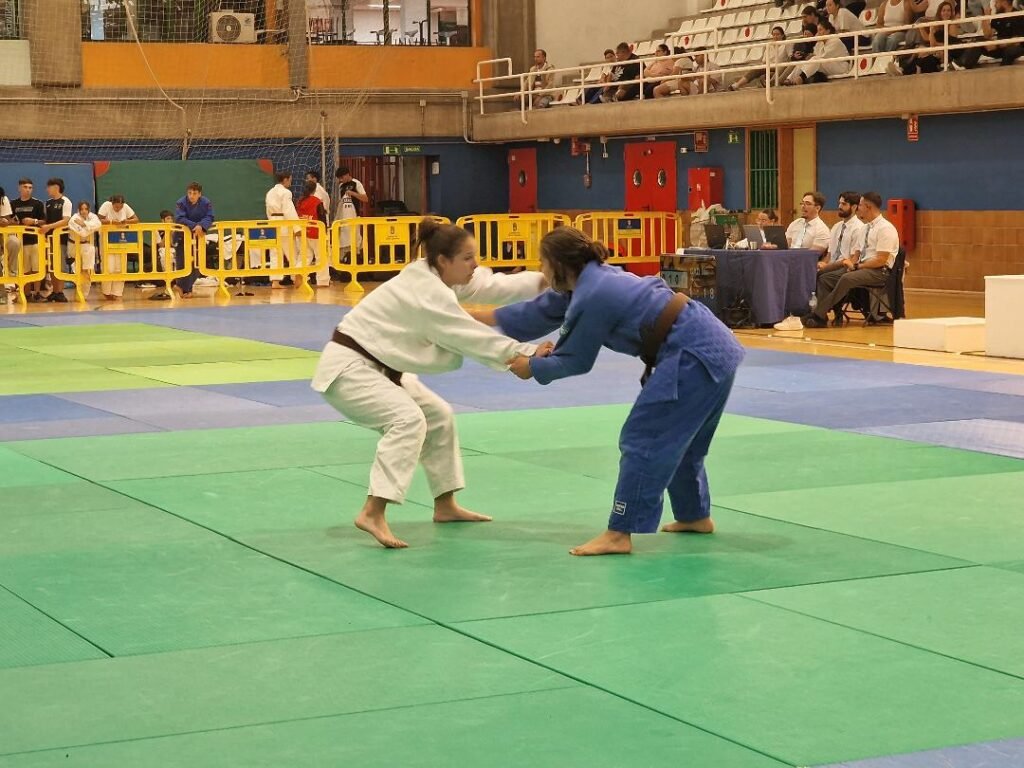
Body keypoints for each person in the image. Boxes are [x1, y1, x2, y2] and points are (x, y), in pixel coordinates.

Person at [477, 227, 745, 556]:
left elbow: (575, 360)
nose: (541, 270)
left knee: (644, 437)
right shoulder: (592, 279)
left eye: (542, 262)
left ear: (559, 264)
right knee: (681, 440)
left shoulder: (593, 294)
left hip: (691, 354)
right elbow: (539, 311)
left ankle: (620, 533)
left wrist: (531, 366)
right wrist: (471, 317)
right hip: (714, 346)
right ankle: (694, 516)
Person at [311, 219, 549, 549]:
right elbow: (468, 336)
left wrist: (545, 279)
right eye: (467, 258)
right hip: (350, 370)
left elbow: (492, 284)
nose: (475, 264)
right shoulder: (427, 293)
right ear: (443, 261)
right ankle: (372, 511)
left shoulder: (438, 276)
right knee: (407, 420)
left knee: (438, 415)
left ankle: (445, 504)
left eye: (475, 256)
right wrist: (525, 353)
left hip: (381, 367)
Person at [803, 191, 899, 327]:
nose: (858, 208)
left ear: (868, 207)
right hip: (862, 268)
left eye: (860, 205)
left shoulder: (885, 229)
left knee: (846, 278)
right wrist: (851, 264)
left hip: (879, 271)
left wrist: (858, 266)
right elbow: (857, 254)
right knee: (825, 278)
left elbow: (881, 260)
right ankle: (823, 314)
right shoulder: (865, 228)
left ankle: (818, 314)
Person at [6, 178, 46, 302]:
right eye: (25, 187)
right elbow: (8, 221)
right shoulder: (12, 204)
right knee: (24, 269)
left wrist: (34, 221)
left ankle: (37, 293)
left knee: (37, 268)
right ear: (19, 188)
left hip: (35, 240)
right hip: (19, 242)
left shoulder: (38, 203)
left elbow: (44, 221)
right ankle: (26, 293)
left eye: (30, 187)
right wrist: (12, 222)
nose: (28, 190)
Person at [173, 182, 214, 298]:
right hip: (182, 237)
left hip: (198, 236)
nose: (191, 196)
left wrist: (201, 226)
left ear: (199, 194)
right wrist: (196, 225)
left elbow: (209, 217)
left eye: (194, 193)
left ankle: (181, 287)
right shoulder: (181, 202)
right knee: (182, 264)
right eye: (189, 193)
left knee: (198, 265)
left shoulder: (206, 202)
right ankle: (187, 291)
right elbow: (180, 218)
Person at [97, 193, 140, 301]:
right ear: (112, 204)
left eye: (120, 207)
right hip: (107, 240)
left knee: (120, 267)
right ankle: (106, 291)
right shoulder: (106, 205)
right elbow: (98, 220)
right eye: (116, 207)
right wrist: (111, 222)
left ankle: (117, 292)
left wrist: (127, 221)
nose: (118, 209)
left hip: (121, 240)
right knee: (109, 266)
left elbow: (136, 219)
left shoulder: (125, 207)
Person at [265, 170, 301, 289]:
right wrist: (297, 228)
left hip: (272, 223)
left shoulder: (270, 192)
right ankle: (296, 279)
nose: (291, 182)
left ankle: (275, 282)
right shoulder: (286, 192)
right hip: (284, 224)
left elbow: (268, 210)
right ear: (285, 179)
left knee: (275, 254)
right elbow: (289, 211)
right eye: (290, 180)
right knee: (292, 253)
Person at [296, 180, 329, 288]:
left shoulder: (300, 201)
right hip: (316, 232)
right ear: (315, 190)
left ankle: (299, 273)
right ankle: (323, 281)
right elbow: (322, 218)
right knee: (321, 257)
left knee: (305, 256)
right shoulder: (317, 201)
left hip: (304, 231)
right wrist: (325, 231)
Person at [67, 201, 102, 300]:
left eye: (86, 209)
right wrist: (90, 227)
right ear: (78, 210)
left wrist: (84, 223)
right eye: (82, 209)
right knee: (78, 270)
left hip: (86, 245)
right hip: (74, 247)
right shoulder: (74, 219)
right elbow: (83, 233)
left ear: (89, 210)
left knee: (87, 271)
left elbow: (98, 224)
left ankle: (84, 295)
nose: (84, 211)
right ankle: (78, 292)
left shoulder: (92, 216)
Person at [334, 166, 368, 263]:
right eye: (339, 178)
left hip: (354, 216)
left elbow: (365, 198)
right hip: (344, 219)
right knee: (343, 240)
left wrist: (353, 194)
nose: (341, 180)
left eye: (342, 177)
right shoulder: (341, 186)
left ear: (347, 175)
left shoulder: (356, 183)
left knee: (354, 239)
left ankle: (355, 259)